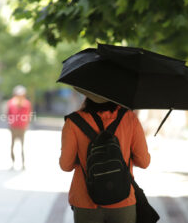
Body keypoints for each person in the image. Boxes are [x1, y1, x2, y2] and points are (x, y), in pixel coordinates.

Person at [60, 88, 151, 223]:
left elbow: (66, 165)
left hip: (85, 201)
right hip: (123, 200)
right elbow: (144, 162)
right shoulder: (130, 118)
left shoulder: (73, 122)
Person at [7, 85, 32, 170]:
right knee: (12, 145)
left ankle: (23, 163)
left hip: (22, 128)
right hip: (13, 127)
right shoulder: (11, 103)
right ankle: (12, 163)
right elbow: (9, 114)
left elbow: (28, 115)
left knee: (22, 146)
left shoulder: (26, 103)